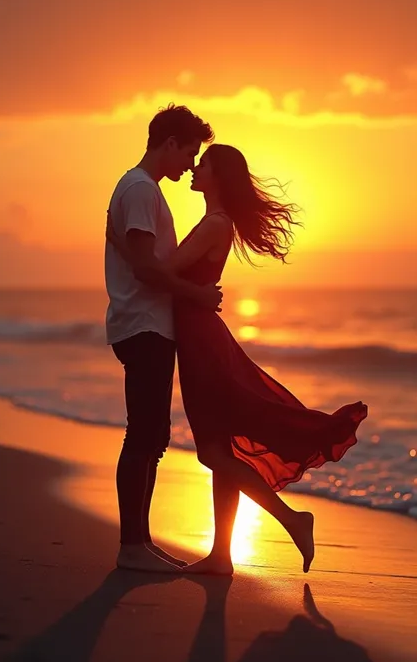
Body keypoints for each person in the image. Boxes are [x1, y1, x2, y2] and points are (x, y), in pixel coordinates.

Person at [107, 142, 368, 575]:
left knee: (212, 452)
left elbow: (163, 270)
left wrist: (121, 242)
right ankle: (222, 556)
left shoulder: (215, 223)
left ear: (219, 177)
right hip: (198, 341)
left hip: (202, 345)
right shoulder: (213, 221)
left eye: (203, 164)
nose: (194, 167)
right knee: (220, 446)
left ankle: (292, 519)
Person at [104, 104, 222, 573]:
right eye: (189, 153)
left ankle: (141, 542)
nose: (191, 164)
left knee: (152, 436)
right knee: (143, 435)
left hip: (150, 324)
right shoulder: (139, 188)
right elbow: (145, 267)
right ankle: (131, 545)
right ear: (168, 143)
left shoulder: (141, 189)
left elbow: (135, 254)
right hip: (143, 324)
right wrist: (196, 292)